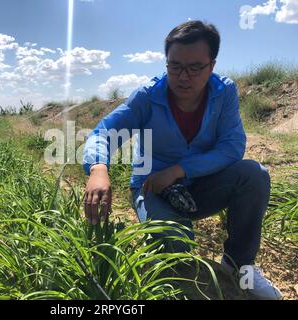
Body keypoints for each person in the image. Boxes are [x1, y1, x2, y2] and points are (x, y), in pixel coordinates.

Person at [82, 20, 282, 300]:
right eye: (174, 66)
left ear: (211, 65)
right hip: (153, 189)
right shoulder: (148, 97)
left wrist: (179, 170)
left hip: (202, 186)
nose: (183, 77)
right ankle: (164, 254)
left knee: (254, 175)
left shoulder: (223, 93)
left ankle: (240, 266)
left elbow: (232, 146)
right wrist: (98, 168)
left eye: (195, 67)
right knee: (176, 246)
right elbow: (103, 133)